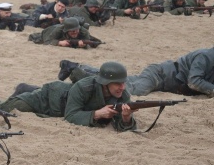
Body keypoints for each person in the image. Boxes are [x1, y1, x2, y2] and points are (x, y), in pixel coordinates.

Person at [0, 62, 136, 131]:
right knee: (7, 108)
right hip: (48, 97)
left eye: (123, 83)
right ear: (105, 83)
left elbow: (123, 127)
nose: (122, 87)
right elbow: (70, 116)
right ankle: (23, 89)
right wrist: (97, 114)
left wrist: (126, 117)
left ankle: (25, 88)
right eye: (117, 84)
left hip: (66, 100)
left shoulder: (122, 94)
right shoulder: (84, 86)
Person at [59, 47, 214, 97]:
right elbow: (194, 82)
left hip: (163, 78)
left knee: (121, 80)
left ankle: (77, 66)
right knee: (133, 90)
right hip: (159, 76)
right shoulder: (205, 57)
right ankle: (77, 73)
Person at [28, 17, 98, 48]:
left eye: (77, 30)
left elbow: (88, 43)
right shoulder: (59, 30)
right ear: (66, 31)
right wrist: (59, 43)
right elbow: (48, 41)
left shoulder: (83, 31)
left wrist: (84, 45)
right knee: (35, 38)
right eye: (73, 31)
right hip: (49, 31)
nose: (75, 32)